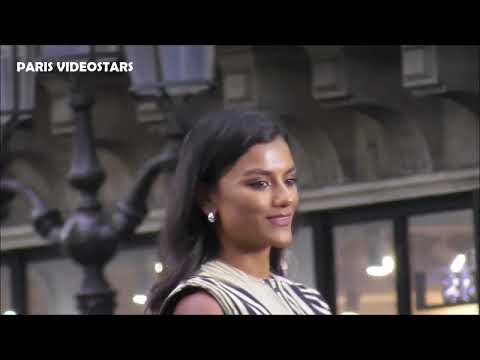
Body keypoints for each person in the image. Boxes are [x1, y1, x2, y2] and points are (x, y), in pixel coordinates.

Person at [146, 109, 331, 315]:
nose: (285, 197)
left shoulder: (309, 300)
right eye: (260, 183)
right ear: (206, 198)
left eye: (289, 181)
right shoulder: (203, 303)